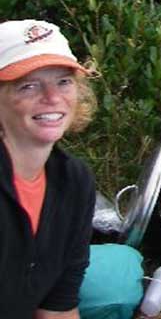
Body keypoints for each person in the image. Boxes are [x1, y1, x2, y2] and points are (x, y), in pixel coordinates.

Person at [1, 19, 97, 319]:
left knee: (121, 271)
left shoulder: (74, 181)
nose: (52, 98)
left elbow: (59, 305)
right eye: (28, 85)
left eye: (63, 81)